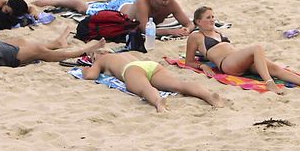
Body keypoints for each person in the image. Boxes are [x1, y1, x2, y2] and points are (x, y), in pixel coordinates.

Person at [185, 6, 300, 94]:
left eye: (213, 17)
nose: (212, 20)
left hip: (238, 60)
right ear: (198, 21)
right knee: (257, 48)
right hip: (227, 64)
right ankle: (269, 83)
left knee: (273, 67)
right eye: (208, 17)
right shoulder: (196, 36)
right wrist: (202, 65)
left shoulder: (217, 32)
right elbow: (189, 61)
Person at [34, 0, 194, 37]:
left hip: (129, 2)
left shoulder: (170, 3)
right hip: (119, 10)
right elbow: (145, 29)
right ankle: (54, 1)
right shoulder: (144, 2)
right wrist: (172, 31)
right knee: (83, 8)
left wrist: (187, 29)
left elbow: (189, 22)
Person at [81, 51, 225, 111]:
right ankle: (209, 96)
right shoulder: (124, 53)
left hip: (131, 69)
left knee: (144, 88)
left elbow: (90, 76)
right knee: (178, 84)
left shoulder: (103, 59)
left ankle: (158, 102)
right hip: (150, 65)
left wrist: (86, 69)